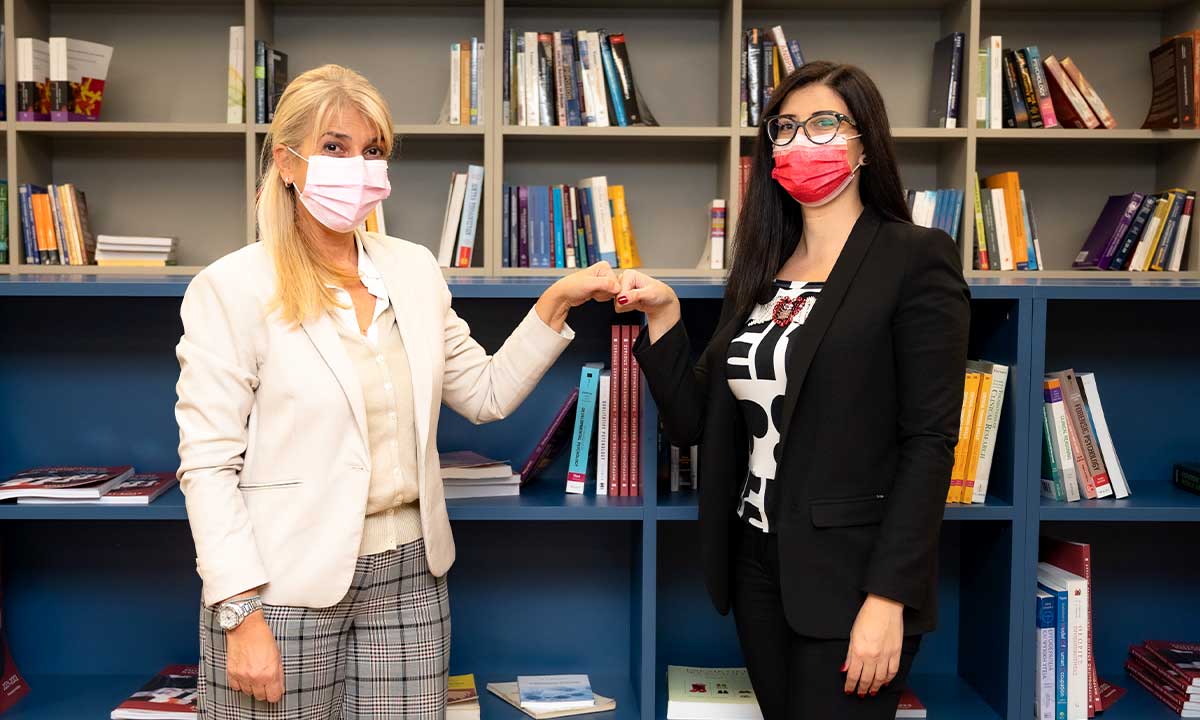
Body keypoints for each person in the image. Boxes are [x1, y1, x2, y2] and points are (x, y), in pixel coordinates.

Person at [174, 64, 620, 719]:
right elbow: (208, 464)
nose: (357, 167)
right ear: (287, 162)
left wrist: (555, 302)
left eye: (372, 150)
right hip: (283, 584)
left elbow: (485, 394)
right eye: (334, 147)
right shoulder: (231, 287)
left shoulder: (412, 269)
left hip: (411, 576)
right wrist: (239, 614)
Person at [615, 61, 970, 719]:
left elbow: (929, 442)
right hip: (755, 562)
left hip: (854, 578)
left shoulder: (915, 257)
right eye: (786, 127)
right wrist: (664, 318)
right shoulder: (761, 269)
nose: (802, 140)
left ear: (865, 143)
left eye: (824, 123)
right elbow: (693, 422)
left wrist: (888, 599)